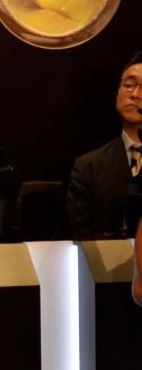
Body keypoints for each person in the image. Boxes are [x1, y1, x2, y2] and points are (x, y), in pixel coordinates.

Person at [67, 52, 142, 240]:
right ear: (117, 93)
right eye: (129, 85)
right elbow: (83, 237)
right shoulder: (88, 166)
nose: (135, 94)